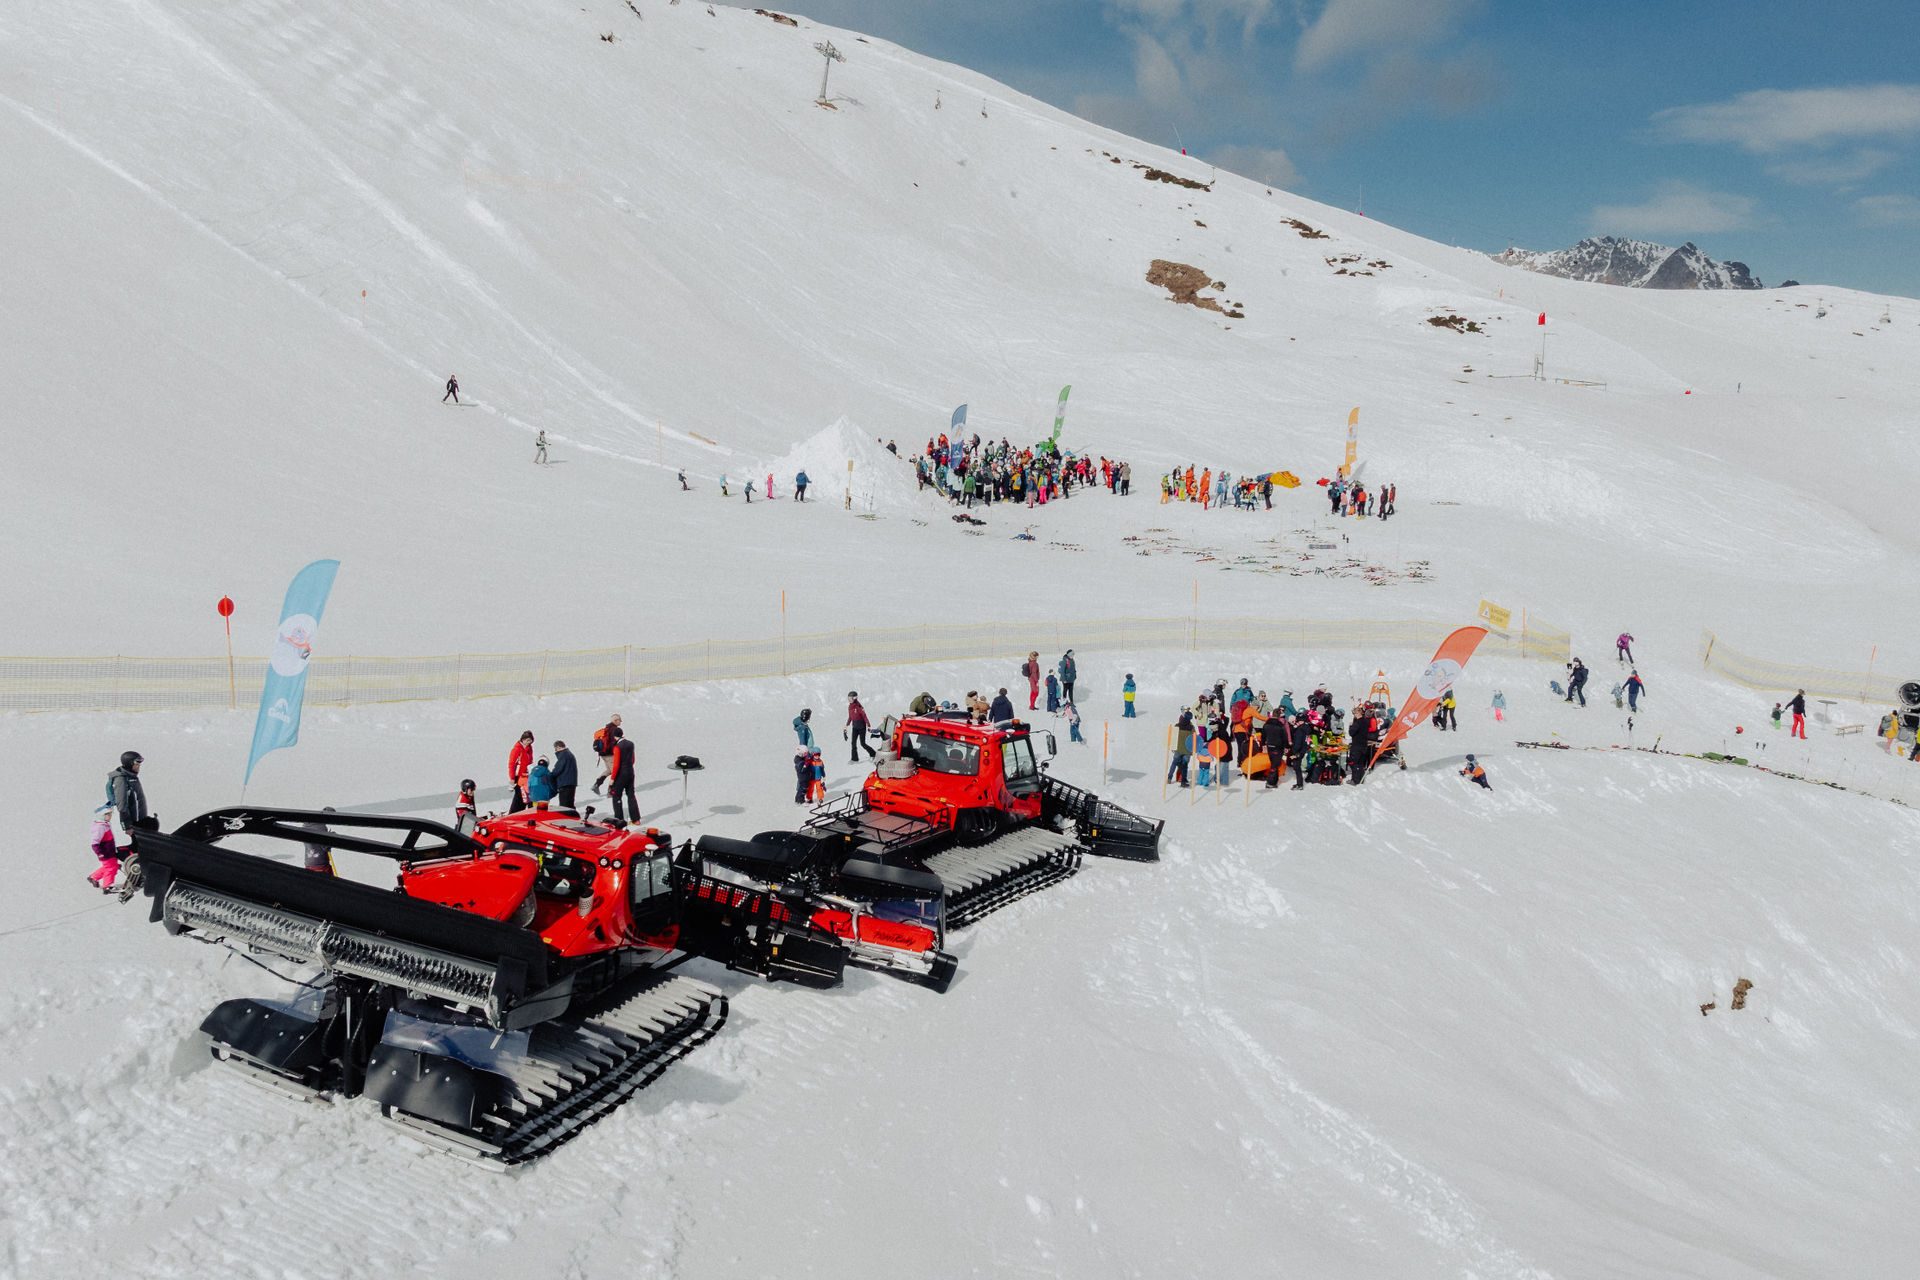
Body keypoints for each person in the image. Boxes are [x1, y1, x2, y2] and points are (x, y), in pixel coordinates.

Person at [107, 750, 148, 836]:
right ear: (129, 764)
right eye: (137, 764)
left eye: (139, 764)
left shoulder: (132, 777)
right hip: (132, 826)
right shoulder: (121, 779)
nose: (139, 767)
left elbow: (139, 799)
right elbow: (122, 806)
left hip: (139, 823)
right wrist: (128, 827)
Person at [86, 803, 120, 892]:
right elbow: (94, 843)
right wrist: (100, 853)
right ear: (102, 815)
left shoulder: (104, 825)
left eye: (110, 814)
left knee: (110, 866)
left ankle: (94, 877)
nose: (110, 816)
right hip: (105, 853)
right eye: (108, 815)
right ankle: (107, 886)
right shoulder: (100, 827)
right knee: (111, 868)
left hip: (109, 852)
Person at [607, 728, 638, 823]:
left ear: (615, 736)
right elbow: (633, 760)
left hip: (620, 774)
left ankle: (619, 819)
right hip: (630, 772)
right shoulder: (630, 744)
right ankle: (636, 819)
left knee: (616, 796)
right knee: (631, 795)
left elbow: (616, 765)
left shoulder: (617, 747)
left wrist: (612, 779)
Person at [591, 714, 623, 795]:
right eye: (619, 720)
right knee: (616, 772)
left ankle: (597, 784)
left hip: (603, 754)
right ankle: (611, 791)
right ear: (615, 720)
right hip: (610, 754)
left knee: (609, 770)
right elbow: (614, 743)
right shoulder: (614, 730)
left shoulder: (606, 729)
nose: (621, 722)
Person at [301, 807, 338, 875]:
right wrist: (332, 837)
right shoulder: (322, 827)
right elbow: (325, 846)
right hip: (320, 863)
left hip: (309, 862)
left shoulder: (307, 824)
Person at [508, 730, 535, 812]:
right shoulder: (517, 749)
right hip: (518, 777)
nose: (529, 742)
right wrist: (512, 778)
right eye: (527, 740)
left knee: (527, 795)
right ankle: (515, 812)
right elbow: (512, 764)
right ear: (523, 739)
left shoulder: (529, 748)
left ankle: (527, 811)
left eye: (530, 741)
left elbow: (530, 761)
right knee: (519, 796)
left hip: (527, 776)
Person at [847, 692, 876, 762]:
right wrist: (847, 725)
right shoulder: (850, 707)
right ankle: (854, 759)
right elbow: (850, 717)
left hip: (861, 727)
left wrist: (868, 725)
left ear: (854, 698)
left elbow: (864, 716)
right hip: (855, 727)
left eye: (850, 698)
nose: (849, 700)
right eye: (848, 698)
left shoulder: (858, 707)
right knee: (853, 743)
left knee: (862, 743)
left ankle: (873, 753)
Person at [550, 741, 579, 809]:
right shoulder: (569, 754)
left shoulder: (564, 755)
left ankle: (566, 818)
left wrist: (550, 776)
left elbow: (558, 769)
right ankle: (572, 817)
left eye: (555, 749)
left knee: (564, 806)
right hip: (571, 782)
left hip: (565, 783)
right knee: (569, 804)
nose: (555, 751)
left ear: (558, 747)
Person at [1168, 711, 1193, 787]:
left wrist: (1172, 746)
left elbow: (1173, 736)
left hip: (1178, 749)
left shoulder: (1177, 726)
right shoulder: (1191, 728)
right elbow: (1193, 739)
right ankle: (1183, 781)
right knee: (1184, 765)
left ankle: (1169, 777)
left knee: (1174, 763)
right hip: (1186, 750)